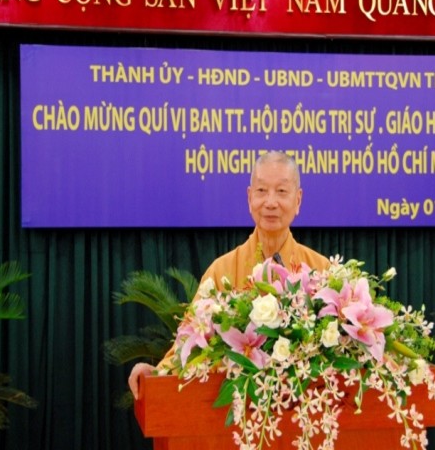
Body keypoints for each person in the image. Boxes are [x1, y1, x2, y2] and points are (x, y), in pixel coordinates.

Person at [128, 150, 329, 399]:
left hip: (302, 405)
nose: (270, 202)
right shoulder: (221, 271)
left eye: (281, 191)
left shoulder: (320, 271)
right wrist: (158, 373)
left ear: (298, 200)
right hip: (233, 407)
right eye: (262, 190)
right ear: (249, 198)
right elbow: (190, 341)